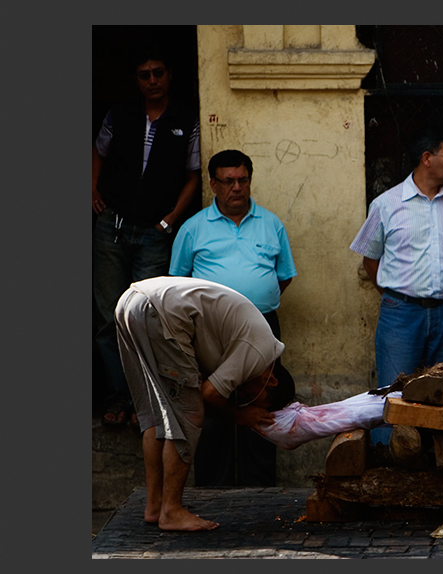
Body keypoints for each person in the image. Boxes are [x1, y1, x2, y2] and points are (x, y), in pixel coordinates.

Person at [114, 277, 293, 531]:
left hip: (131, 302)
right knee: (190, 413)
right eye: (260, 402)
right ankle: (172, 511)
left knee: (155, 413)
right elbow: (209, 395)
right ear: (271, 381)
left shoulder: (253, 340)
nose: (247, 400)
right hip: (158, 310)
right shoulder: (261, 350)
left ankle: (154, 506)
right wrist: (243, 416)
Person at [169, 149, 297, 486]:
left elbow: (284, 276)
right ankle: (214, 487)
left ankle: (261, 484)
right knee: (211, 406)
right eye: (228, 182)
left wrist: (255, 300)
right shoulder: (193, 228)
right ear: (213, 184)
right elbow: (176, 286)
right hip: (209, 334)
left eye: (242, 180)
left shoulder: (271, 224)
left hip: (262, 327)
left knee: (262, 400)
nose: (236, 188)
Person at [93, 44, 201, 426]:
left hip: (156, 232)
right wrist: (92, 191)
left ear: (169, 75)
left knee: (147, 319)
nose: (152, 80)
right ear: (136, 80)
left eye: (158, 72)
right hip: (113, 227)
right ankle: (118, 397)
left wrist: (171, 219)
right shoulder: (120, 114)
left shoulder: (186, 119)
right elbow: (98, 153)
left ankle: (147, 402)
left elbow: (193, 175)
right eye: (145, 74)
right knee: (110, 318)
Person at [350, 125, 443, 387]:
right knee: (394, 393)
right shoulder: (386, 204)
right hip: (401, 315)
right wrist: (397, 297)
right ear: (427, 158)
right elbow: (370, 259)